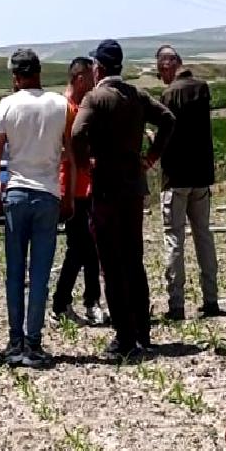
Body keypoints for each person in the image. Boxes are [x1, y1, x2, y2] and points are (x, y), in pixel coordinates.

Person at [70, 39, 175, 359]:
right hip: (133, 187)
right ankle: (142, 331)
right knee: (133, 260)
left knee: (111, 264)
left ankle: (124, 336)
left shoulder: (95, 98)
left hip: (105, 188)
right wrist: (152, 156)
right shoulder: (137, 96)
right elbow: (168, 119)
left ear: (98, 68)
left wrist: (83, 163)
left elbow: (76, 134)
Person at [0, 49, 71, 368]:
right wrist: (68, 196)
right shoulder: (59, 105)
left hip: (17, 193)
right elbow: (69, 154)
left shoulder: (7, 106)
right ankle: (34, 343)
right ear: (39, 72)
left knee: (14, 273)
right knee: (39, 274)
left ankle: (14, 341)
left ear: (15, 76)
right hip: (48, 194)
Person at [155, 46, 221, 320]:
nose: (160, 75)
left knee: (175, 239)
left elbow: (169, 133)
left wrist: (152, 144)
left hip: (176, 177)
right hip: (201, 174)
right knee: (203, 236)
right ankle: (211, 298)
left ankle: (177, 303)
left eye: (160, 69)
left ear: (168, 65)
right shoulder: (202, 88)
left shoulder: (170, 94)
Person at [52, 56, 105, 324]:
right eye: (92, 77)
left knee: (87, 246)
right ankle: (65, 302)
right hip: (71, 187)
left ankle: (84, 300)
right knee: (81, 247)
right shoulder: (65, 108)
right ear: (81, 77)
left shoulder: (83, 105)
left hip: (86, 185)